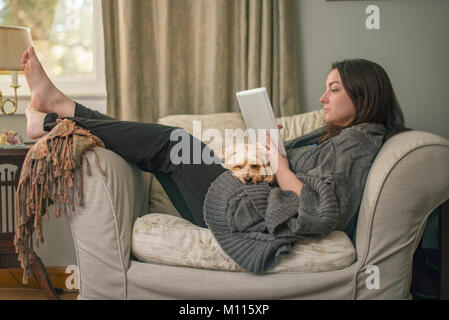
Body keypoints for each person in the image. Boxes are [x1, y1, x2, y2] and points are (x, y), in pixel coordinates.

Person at [22, 46, 410, 272]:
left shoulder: (360, 143)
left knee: (170, 141)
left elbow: (323, 209)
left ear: (363, 95)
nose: (322, 98)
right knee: (158, 147)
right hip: (245, 198)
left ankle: (57, 114)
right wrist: (268, 152)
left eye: (334, 89)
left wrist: (281, 166)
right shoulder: (344, 136)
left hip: (247, 214)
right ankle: (60, 109)